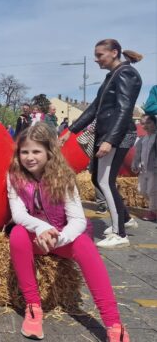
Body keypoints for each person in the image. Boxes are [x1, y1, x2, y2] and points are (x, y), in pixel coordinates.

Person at [8, 123, 129, 342]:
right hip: (37, 237)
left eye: (36, 151)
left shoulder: (64, 177)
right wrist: (42, 228)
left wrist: (58, 237)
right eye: (24, 152)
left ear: (49, 152)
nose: (29, 157)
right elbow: (18, 213)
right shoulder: (14, 176)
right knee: (17, 234)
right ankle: (33, 307)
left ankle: (113, 323)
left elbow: (78, 220)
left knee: (84, 245)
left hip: (64, 236)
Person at [60, 39, 143, 248]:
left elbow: (124, 110)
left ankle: (119, 234)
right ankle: (124, 219)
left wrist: (109, 140)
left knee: (104, 181)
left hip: (117, 135)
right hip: (108, 134)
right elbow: (94, 109)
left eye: (100, 55)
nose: (97, 60)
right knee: (98, 179)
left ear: (114, 53)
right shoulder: (112, 76)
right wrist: (70, 131)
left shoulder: (126, 74)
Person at [131, 114, 157, 221]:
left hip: (154, 170)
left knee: (152, 191)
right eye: (143, 124)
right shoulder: (142, 139)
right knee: (141, 190)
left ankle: (153, 212)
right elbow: (137, 154)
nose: (145, 126)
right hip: (143, 169)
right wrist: (135, 164)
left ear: (155, 124)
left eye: (148, 123)